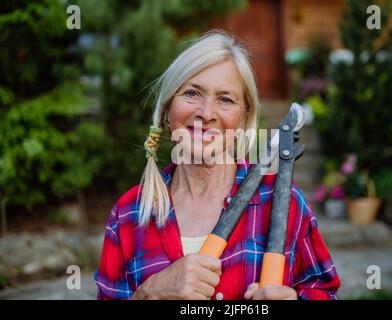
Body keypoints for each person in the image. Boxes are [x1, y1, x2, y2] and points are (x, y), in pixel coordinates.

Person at [94, 30, 340, 300]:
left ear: (243, 117)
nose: (206, 113)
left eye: (225, 99)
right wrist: (146, 295)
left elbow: (324, 290)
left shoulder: (281, 200)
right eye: (191, 93)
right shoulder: (128, 215)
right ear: (166, 111)